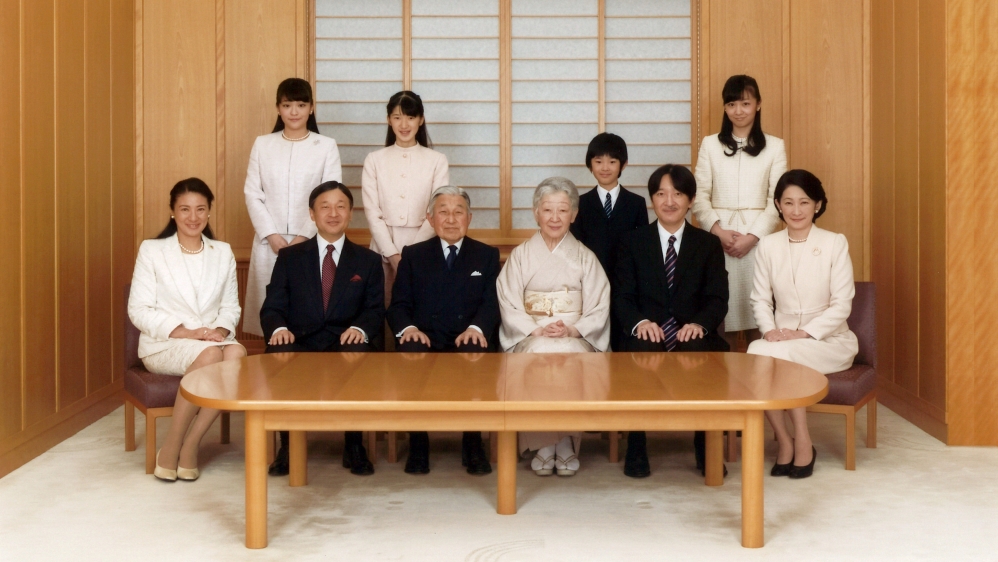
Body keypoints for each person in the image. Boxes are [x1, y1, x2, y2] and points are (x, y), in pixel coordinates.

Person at [260, 181, 385, 477]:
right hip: (301, 338)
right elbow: (273, 306)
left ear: (350, 213)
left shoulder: (368, 260)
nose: (333, 213)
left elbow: (375, 309)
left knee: (357, 350)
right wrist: (279, 329)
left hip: (345, 338)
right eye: (325, 207)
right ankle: (288, 445)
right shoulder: (290, 257)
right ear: (312, 214)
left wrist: (360, 328)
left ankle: (354, 444)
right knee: (281, 349)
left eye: (341, 207)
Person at [613, 164, 730, 478]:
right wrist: (639, 322)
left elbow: (718, 298)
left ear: (690, 200)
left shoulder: (707, 244)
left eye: (677, 194)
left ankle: (705, 444)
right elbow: (622, 296)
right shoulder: (632, 241)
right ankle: (636, 445)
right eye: (661, 194)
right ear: (652, 199)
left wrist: (699, 324)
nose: (669, 201)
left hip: (692, 331)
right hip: (647, 331)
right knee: (640, 347)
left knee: (700, 348)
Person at [127, 178, 246, 482]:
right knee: (211, 356)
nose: (193, 217)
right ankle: (171, 445)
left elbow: (231, 307)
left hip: (212, 341)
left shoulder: (222, 252)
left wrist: (221, 331)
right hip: (165, 343)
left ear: (209, 212)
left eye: (200, 209)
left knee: (237, 354)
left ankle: (191, 443)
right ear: (173, 211)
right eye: (185, 209)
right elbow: (139, 309)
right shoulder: (153, 250)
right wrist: (186, 332)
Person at [747, 169, 858, 479]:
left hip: (828, 342)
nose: (796, 210)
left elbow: (842, 304)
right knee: (756, 352)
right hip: (780, 339)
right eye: (788, 202)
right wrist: (770, 330)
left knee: (780, 358)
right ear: (778, 205)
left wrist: (803, 333)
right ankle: (787, 441)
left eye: (804, 202)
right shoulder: (768, 245)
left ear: (818, 205)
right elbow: (759, 299)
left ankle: (803, 440)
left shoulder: (834, 243)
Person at [497, 177, 610, 477]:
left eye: (563, 210)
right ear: (536, 213)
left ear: (574, 214)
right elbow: (508, 301)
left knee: (571, 353)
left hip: (574, 335)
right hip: (531, 334)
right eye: (548, 210)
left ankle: (564, 442)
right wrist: (534, 330)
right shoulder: (521, 256)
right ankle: (546, 444)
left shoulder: (585, 257)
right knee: (538, 352)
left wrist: (573, 330)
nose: (555, 217)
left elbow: (599, 304)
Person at [387, 185, 501, 476]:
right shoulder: (413, 255)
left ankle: (473, 443)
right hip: (425, 335)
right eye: (443, 212)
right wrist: (409, 328)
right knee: (411, 349)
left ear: (469, 218)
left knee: (475, 349)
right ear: (430, 218)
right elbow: (398, 304)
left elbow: (492, 303)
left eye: (458, 212)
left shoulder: (486, 255)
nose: (451, 219)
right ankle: (418, 442)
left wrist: (476, 328)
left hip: (466, 335)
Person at [243, 77, 342, 337]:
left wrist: (302, 237)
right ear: (278, 108)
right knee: (270, 315)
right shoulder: (263, 144)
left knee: (306, 312)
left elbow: (330, 197)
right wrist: (272, 236)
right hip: (269, 242)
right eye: (287, 105)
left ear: (311, 107)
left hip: (311, 241)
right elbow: (252, 194)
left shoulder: (326, 146)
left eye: (301, 105)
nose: (294, 112)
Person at [693, 75, 786, 347]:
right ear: (725, 107)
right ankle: (726, 372)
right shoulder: (710, 144)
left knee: (761, 317)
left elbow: (777, 200)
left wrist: (752, 237)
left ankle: (762, 370)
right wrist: (718, 232)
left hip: (759, 240)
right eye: (731, 104)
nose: (738, 111)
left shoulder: (775, 146)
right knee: (723, 317)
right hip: (718, 239)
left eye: (745, 103)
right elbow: (699, 196)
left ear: (758, 104)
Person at [362, 90, 450, 304]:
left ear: (421, 120)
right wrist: (392, 255)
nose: (404, 124)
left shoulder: (437, 160)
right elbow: (372, 213)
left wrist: (412, 255)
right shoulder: (374, 160)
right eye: (397, 117)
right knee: (381, 306)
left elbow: (437, 210)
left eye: (410, 117)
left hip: (425, 244)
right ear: (388, 120)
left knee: (420, 307)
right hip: (383, 245)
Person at [570, 132, 649, 350]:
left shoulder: (636, 203)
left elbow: (643, 248)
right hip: (590, 285)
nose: (605, 167)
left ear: (624, 164)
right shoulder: (580, 204)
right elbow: (576, 248)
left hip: (627, 285)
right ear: (589, 165)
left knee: (624, 343)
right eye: (598, 161)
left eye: (612, 161)